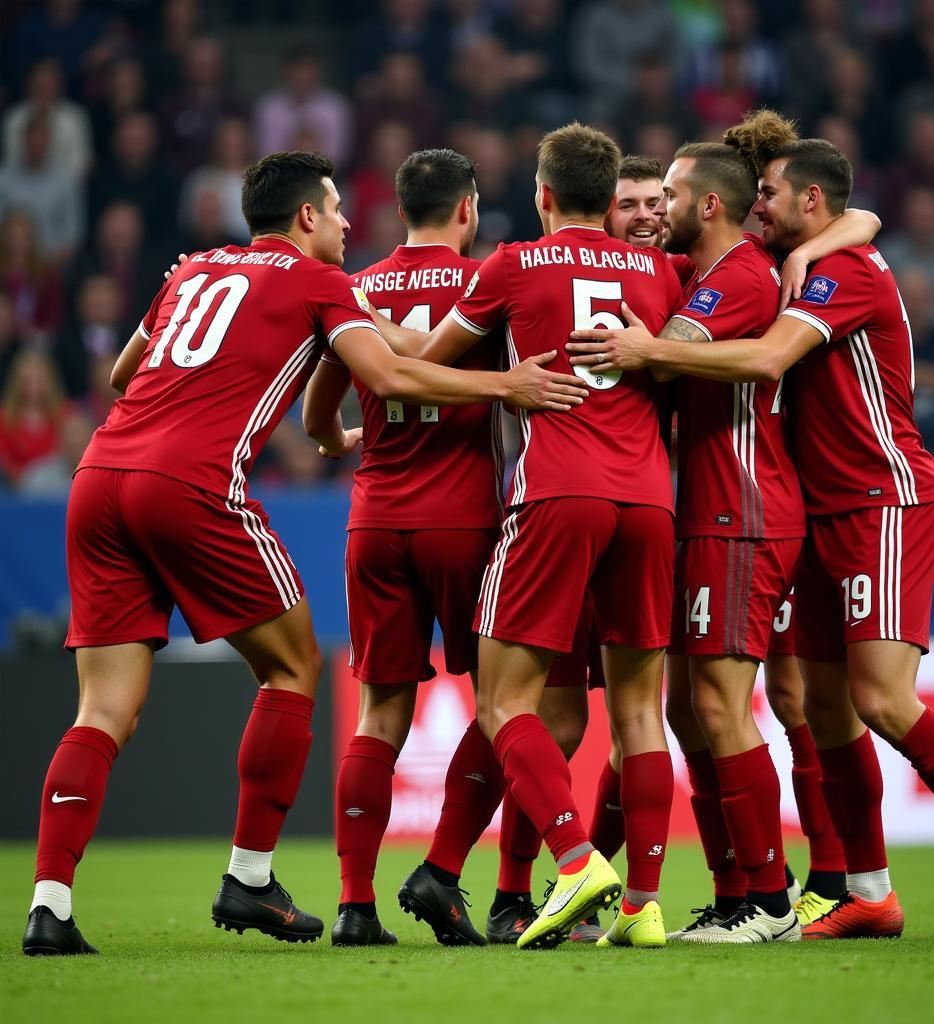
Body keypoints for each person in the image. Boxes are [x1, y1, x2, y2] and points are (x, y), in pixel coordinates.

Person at [21, 149, 587, 957]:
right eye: (336, 207)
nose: (350, 222)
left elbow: (121, 373)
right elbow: (388, 375)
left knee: (103, 710)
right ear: (307, 218)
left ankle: (49, 906)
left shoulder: (194, 269)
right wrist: (506, 386)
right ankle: (250, 877)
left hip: (99, 478)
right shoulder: (320, 283)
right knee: (294, 670)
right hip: (195, 485)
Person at [567, 137, 934, 941]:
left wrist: (647, 349)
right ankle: (867, 890)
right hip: (817, 509)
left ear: (808, 200)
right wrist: (821, 235)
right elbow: (854, 217)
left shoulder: (838, 271)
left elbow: (772, 357)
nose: (759, 207)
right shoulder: (803, 255)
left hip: (880, 496)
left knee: (878, 698)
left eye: (771, 195)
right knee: (821, 707)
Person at [374, 123, 687, 950]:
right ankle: (643, 907)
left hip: (557, 494)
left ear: (543, 194)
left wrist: (379, 326)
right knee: (638, 717)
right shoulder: (662, 272)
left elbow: (429, 367)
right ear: (608, 195)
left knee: (505, 699)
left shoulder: (511, 264)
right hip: (653, 501)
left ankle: (575, 859)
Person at [305, 148, 585, 948]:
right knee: (510, 705)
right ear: (467, 209)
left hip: (375, 519)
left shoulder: (357, 288)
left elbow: (320, 417)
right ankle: (458, 874)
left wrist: (340, 441)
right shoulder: (490, 281)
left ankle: (356, 906)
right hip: (465, 521)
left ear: (400, 211)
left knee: (379, 711)